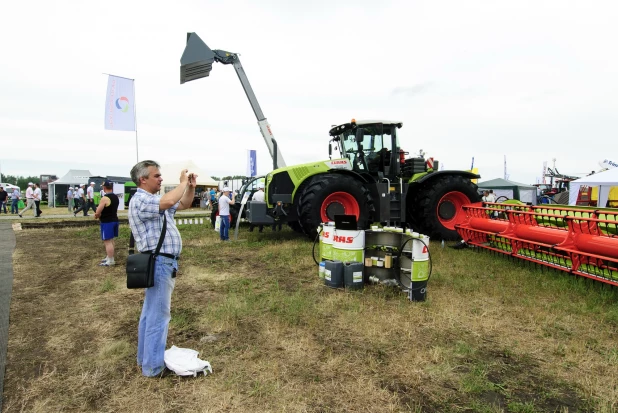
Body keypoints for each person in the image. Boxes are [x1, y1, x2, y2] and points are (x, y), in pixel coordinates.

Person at [128, 160, 197, 377]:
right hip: (159, 262)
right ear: (143, 179)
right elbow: (169, 201)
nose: (160, 179)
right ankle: (153, 368)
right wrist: (182, 181)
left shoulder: (154, 200)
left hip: (162, 262)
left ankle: (145, 359)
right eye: (156, 176)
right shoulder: (141, 200)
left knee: (150, 315)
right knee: (159, 316)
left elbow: (183, 204)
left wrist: (190, 187)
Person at [95, 180, 120, 266]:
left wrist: (96, 215)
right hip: (115, 219)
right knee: (111, 239)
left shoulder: (105, 198)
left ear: (104, 188)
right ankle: (109, 256)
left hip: (107, 222)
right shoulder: (116, 197)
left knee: (107, 241)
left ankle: (110, 260)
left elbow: (98, 211)